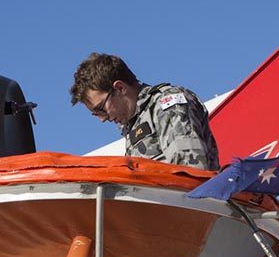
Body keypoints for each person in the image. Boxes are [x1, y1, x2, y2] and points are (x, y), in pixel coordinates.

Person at [69, 53, 220, 171]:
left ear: (120, 88)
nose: (102, 119)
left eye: (101, 109)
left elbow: (190, 171)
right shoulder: (135, 123)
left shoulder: (167, 103)